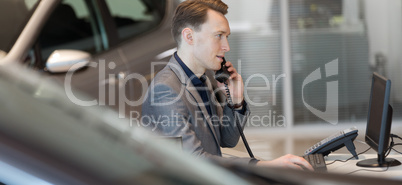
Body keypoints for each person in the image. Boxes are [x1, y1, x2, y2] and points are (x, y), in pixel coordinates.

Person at [141, 0, 313, 170]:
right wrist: (262, 166)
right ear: (189, 36)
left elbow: (227, 139)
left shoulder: (201, 79)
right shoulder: (166, 90)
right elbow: (192, 161)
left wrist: (236, 101)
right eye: (219, 36)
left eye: (227, 37)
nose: (227, 47)